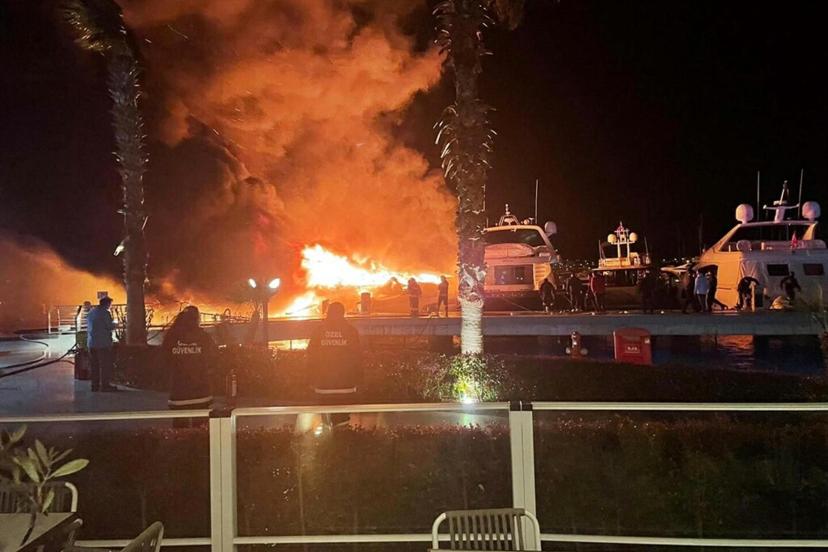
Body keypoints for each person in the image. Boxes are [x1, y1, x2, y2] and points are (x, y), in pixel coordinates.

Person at [307, 302, 362, 428]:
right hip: (346, 386)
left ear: (328, 313)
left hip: (323, 386)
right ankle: (342, 436)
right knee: (343, 421)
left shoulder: (318, 331)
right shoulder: (351, 331)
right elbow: (357, 357)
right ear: (343, 313)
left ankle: (327, 435)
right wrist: (359, 380)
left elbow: (311, 356)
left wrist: (311, 380)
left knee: (326, 421)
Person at [162, 306, 216, 426]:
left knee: (180, 430)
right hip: (201, 393)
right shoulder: (204, 337)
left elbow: (164, 360)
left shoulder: (171, 337)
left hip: (178, 394)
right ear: (197, 319)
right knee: (201, 430)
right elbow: (213, 358)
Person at [87, 296, 117, 392]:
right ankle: (105, 386)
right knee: (104, 365)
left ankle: (94, 385)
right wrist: (115, 324)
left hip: (92, 343)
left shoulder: (91, 312)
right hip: (103, 343)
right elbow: (109, 326)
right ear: (107, 304)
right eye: (110, 304)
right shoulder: (105, 313)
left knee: (94, 365)